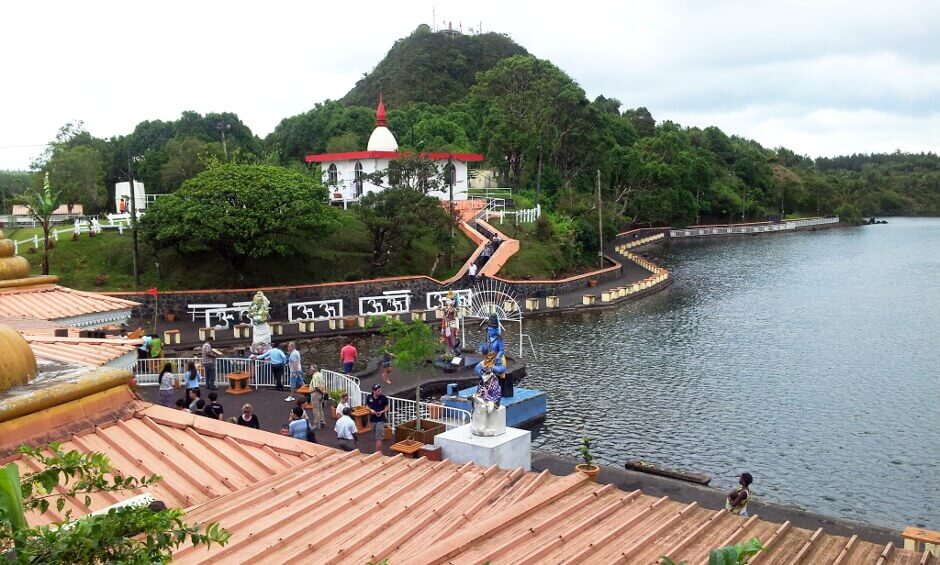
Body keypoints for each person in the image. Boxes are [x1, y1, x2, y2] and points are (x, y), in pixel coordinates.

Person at [365, 383, 389, 453]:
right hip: (372, 420)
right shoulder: (369, 397)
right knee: (375, 437)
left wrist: (382, 411)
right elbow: (367, 405)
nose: (380, 392)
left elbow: (387, 408)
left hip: (380, 420)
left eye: (380, 390)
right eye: (378, 391)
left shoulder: (383, 398)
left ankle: (378, 453)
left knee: (379, 438)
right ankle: (378, 452)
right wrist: (370, 410)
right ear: (374, 391)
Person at [307, 364, 326, 429]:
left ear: (314, 370)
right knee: (320, 408)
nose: (310, 370)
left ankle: (317, 424)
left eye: (311, 369)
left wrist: (322, 392)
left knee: (315, 410)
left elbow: (316, 387)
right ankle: (322, 421)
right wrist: (323, 392)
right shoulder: (320, 374)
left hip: (315, 393)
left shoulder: (315, 377)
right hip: (320, 394)